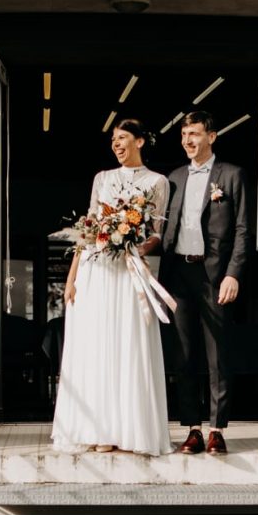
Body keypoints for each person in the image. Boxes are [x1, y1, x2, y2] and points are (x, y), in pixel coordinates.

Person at [51, 118, 172, 456]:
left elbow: (158, 231)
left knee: (127, 342)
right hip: (96, 269)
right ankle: (96, 427)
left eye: (122, 138)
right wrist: (72, 278)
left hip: (128, 270)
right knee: (96, 344)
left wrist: (135, 246)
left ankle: (126, 429)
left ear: (140, 141)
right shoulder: (102, 179)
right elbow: (88, 227)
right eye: (113, 140)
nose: (116, 145)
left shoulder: (158, 182)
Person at [161, 110, 249, 455]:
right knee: (184, 354)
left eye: (194, 134)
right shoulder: (174, 177)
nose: (188, 141)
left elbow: (243, 230)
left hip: (214, 274)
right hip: (178, 273)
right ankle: (192, 429)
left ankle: (217, 429)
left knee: (217, 354)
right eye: (184, 135)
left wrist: (233, 273)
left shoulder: (232, 175)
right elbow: (165, 227)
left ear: (212, 136)